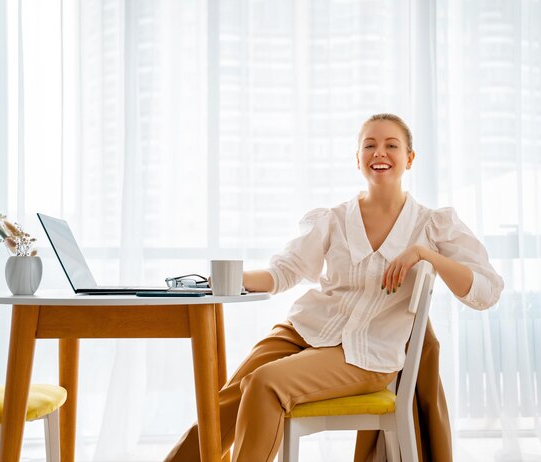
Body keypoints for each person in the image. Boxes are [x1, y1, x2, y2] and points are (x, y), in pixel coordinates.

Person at [164, 113, 504, 462]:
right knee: (225, 402)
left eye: (391, 145)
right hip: (304, 329)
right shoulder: (335, 218)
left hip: (367, 353)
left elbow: (487, 290)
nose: (379, 153)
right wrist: (222, 280)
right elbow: (284, 271)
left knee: (264, 384)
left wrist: (425, 254)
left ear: (410, 158)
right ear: (357, 159)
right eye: (369, 146)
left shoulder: (433, 225)